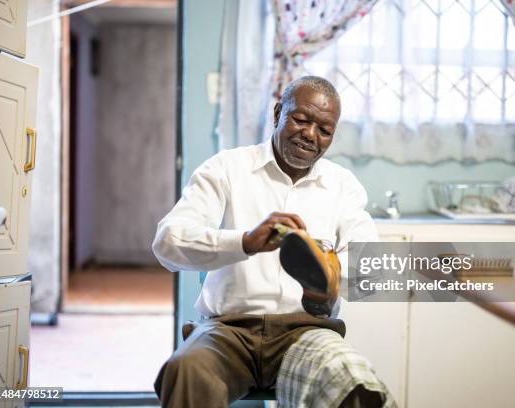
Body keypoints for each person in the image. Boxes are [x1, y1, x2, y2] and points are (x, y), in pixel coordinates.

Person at [152, 76, 393, 407]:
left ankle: (321, 285)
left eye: (324, 130)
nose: (310, 134)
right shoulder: (227, 168)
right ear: (278, 112)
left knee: (355, 381)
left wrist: (333, 276)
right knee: (185, 369)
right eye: (301, 119)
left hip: (307, 333)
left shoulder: (343, 186)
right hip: (227, 330)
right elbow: (167, 243)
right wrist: (246, 242)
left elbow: (373, 272)